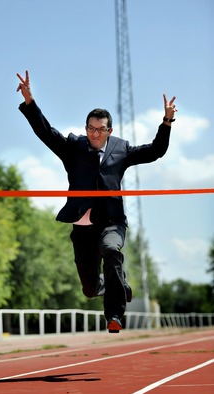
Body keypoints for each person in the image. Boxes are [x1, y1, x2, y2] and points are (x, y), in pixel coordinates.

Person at [16, 70, 177, 333]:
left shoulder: (121, 149)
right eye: (90, 128)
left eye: (100, 130)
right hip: (82, 226)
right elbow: (45, 132)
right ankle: (114, 284)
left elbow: (155, 151)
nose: (94, 134)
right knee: (90, 289)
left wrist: (167, 121)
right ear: (86, 128)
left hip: (111, 222)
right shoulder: (73, 147)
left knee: (112, 251)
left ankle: (114, 316)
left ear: (109, 130)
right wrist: (30, 101)